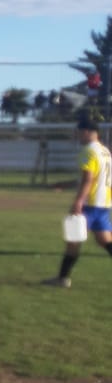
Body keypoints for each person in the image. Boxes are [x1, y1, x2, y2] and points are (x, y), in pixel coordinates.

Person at [45, 112, 112, 288]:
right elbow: (93, 178)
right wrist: (64, 184)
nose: (77, 136)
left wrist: (78, 201)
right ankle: (62, 278)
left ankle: (62, 279)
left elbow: (88, 179)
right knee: (105, 240)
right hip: (104, 204)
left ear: (87, 131)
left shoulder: (88, 151)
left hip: (89, 204)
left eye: (79, 132)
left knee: (73, 241)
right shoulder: (105, 151)